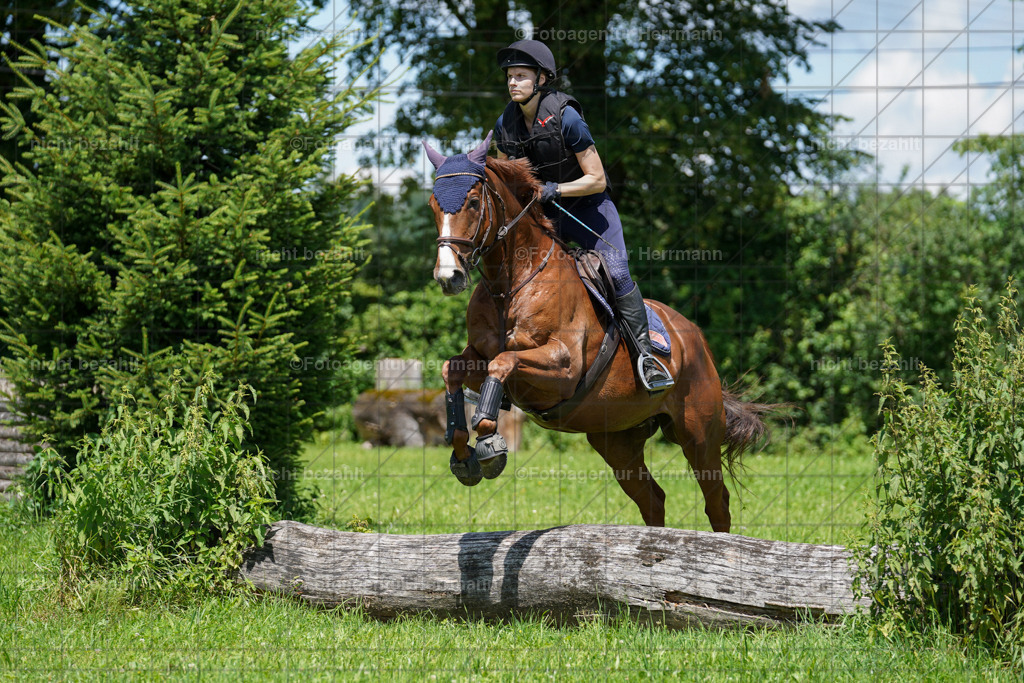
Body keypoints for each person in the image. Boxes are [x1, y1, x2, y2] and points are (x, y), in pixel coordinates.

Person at [492, 39, 673, 392]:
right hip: (546, 213)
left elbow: (597, 178)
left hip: (590, 209)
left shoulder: (567, 117)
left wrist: (556, 190)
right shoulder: (505, 124)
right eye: (510, 76)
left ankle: (646, 359)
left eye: (521, 76)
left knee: (617, 272)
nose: (513, 82)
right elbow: (507, 181)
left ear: (542, 78)